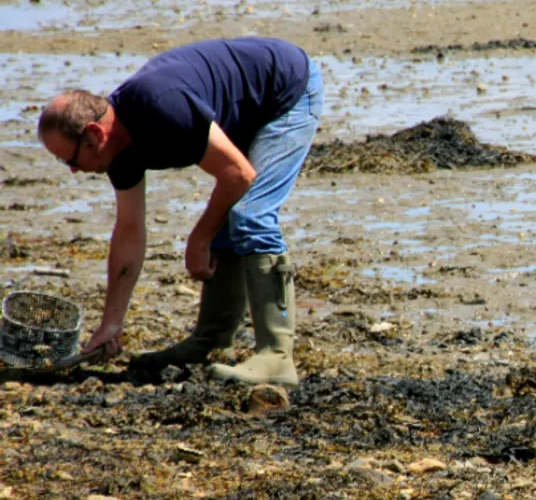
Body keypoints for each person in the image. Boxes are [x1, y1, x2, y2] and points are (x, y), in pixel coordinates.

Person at [37, 37, 323, 387]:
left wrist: (199, 239)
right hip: (240, 110)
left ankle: (277, 357)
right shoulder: (117, 150)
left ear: (94, 134)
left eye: (71, 159)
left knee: (250, 213)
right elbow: (129, 231)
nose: (73, 170)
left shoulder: (160, 106)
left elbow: (239, 175)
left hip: (285, 90)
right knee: (228, 211)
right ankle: (211, 341)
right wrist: (111, 323)